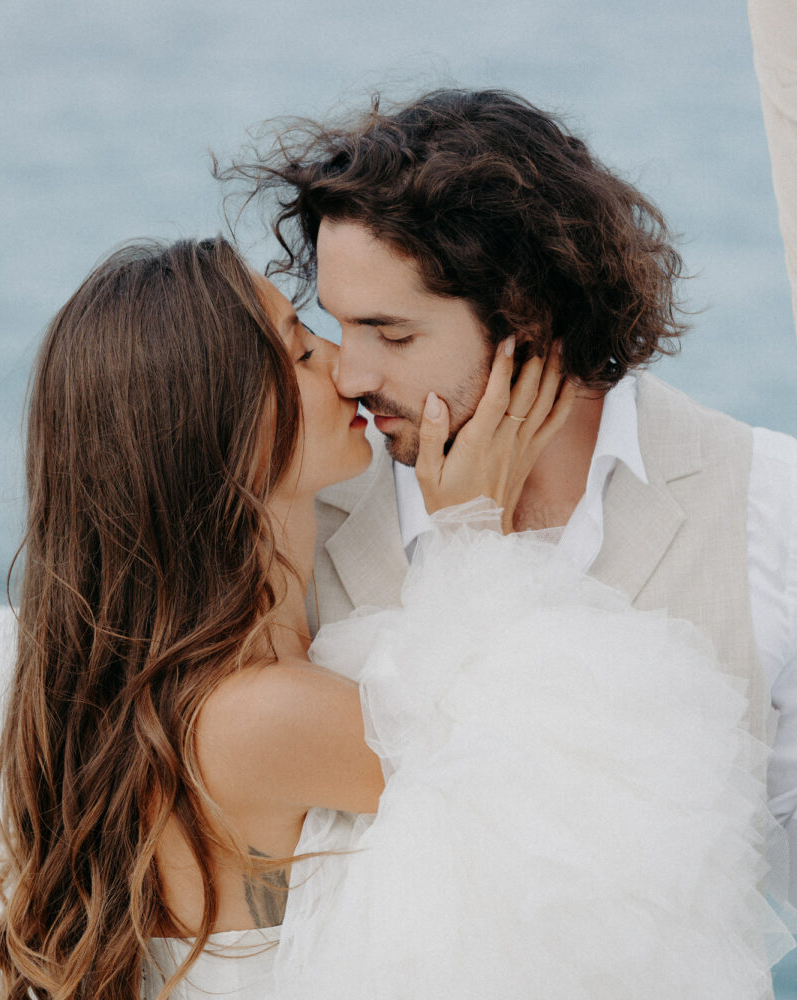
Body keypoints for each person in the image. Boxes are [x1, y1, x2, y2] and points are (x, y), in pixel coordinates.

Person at [0, 236, 787, 1000]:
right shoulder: (253, 714)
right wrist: (468, 534)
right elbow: (562, 798)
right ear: (226, 427)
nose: (345, 372)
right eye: (301, 348)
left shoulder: (222, 668)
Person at [229, 88, 797, 879]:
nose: (349, 376)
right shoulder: (301, 520)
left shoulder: (769, 506)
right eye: (337, 324)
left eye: (392, 334)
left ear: (527, 319)